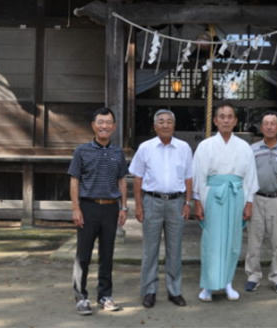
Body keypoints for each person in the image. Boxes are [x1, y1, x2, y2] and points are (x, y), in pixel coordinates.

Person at [193, 102, 259, 302]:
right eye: (222, 116)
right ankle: (208, 286)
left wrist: (249, 202)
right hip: (213, 195)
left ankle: (228, 282)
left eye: (230, 116)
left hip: (236, 194)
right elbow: (198, 175)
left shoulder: (244, 147)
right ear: (215, 120)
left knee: (232, 242)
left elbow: (250, 177)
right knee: (211, 242)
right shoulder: (205, 146)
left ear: (236, 121)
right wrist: (198, 201)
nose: (226, 120)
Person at [129, 109, 193, 309]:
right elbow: (137, 178)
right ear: (155, 126)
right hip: (152, 202)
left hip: (176, 202)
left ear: (174, 125)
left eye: (169, 122)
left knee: (175, 249)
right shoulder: (145, 148)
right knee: (150, 249)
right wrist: (138, 205)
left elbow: (189, 177)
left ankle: (175, 291)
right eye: (161, 122)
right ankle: (149, 291)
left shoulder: (183, 148)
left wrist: (188, 202)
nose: (165, 125)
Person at [68, 107, 128, 316]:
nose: (104, 126)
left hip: (111, 208)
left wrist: (123, 206)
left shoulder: (118, 152)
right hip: (88, 207)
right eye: (100, 122)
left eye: (108, 122)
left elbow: (121, 180)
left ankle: (105, 295)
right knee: (83, 254)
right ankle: (81, 296)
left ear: (114, 126)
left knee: (107, 255)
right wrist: (76, 208)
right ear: (93, 126)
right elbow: (74, 180)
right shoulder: (81, 151)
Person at [244, 111, 277, 295]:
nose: (269, 126)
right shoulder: (253, 149)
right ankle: (253, 275)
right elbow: (247, 177)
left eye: (273, 123)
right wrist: (247, 202)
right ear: (261, 127)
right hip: (257, 198)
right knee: (254, 238)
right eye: (266, 123)